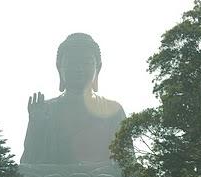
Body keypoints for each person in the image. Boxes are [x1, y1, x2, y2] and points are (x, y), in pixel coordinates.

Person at [21, 33, 125, 165]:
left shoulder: (113, 111)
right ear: (59, 68)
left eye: (86, 62)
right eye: (72, 63)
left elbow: (126, 163)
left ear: (98, 68)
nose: (79, 69)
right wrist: (35, 124)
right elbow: (28, 162)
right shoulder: (46, 110)